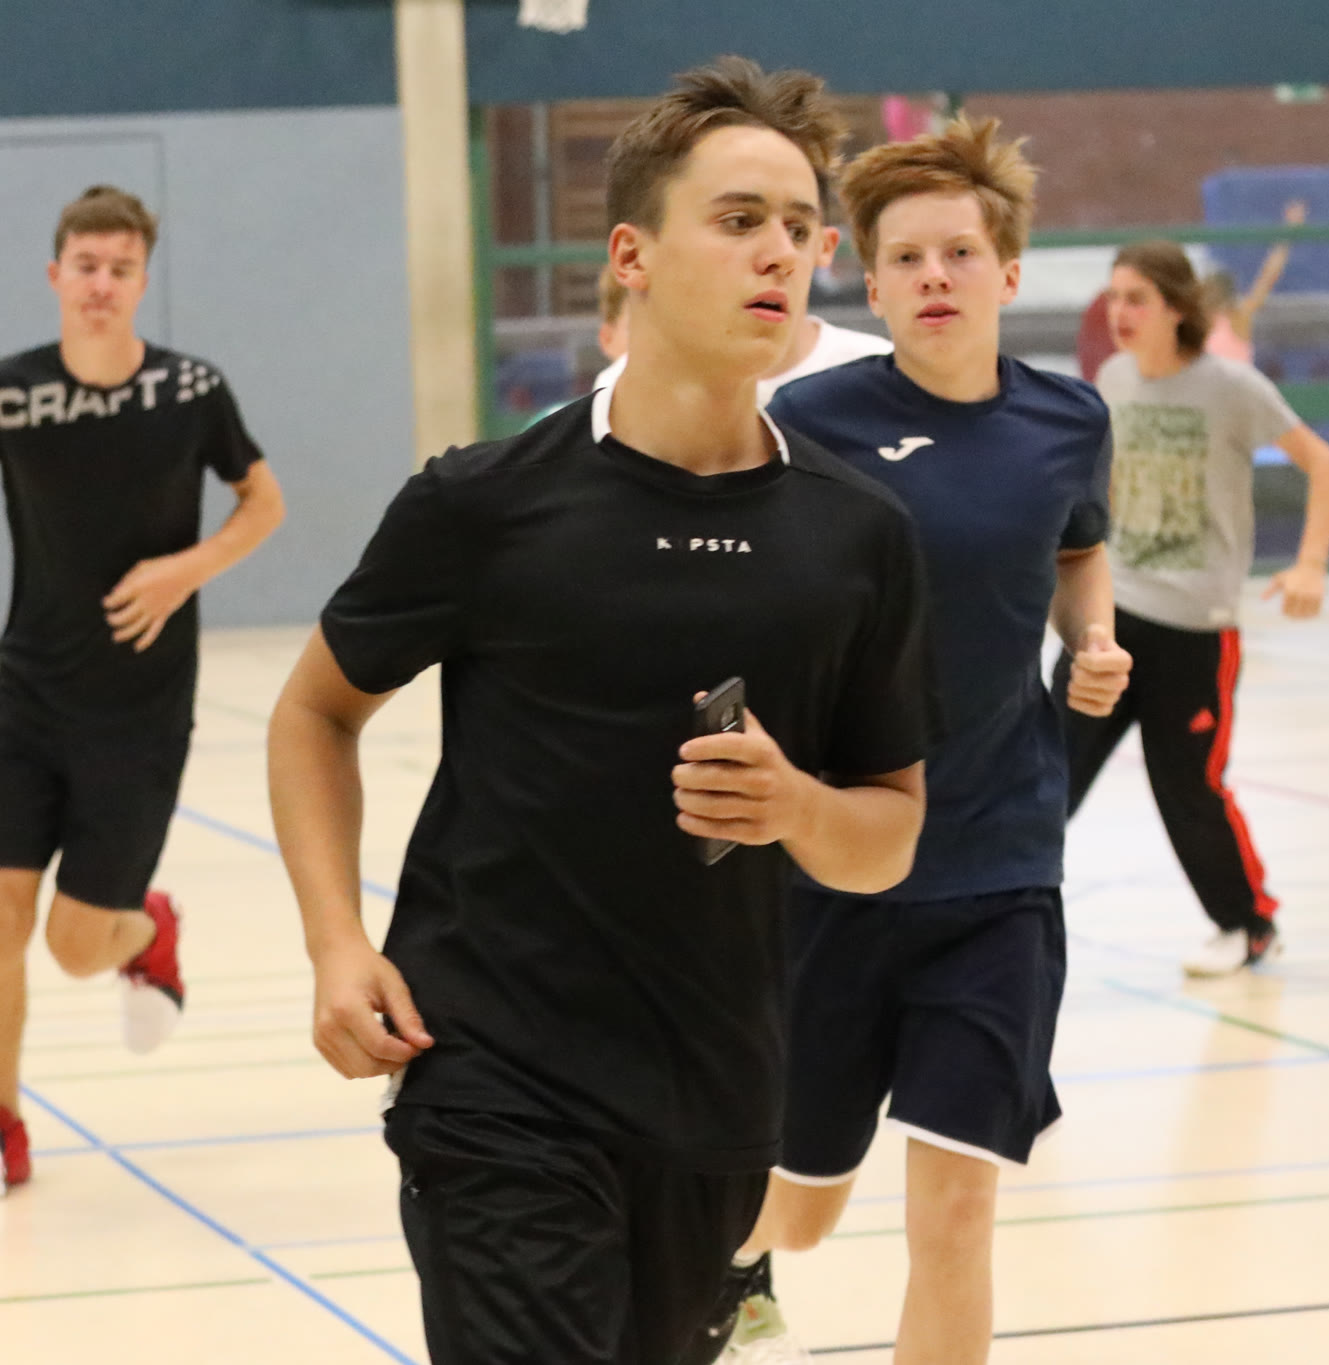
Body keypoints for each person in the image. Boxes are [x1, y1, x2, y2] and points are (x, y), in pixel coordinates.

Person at [266, 59, 935, 1365]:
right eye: (738, 219)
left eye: (800, 228)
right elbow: (313, 716)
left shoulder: (859, 535)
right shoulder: (485, 504)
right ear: (632, 254)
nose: (779, 252)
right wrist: (337, 944)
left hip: (717, 1096)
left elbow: (889, 837)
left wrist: (798, 807)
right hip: (493, 1076)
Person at [713, 116, 1130, 1365]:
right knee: (796, 1211)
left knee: (954, 1215)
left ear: (1008, 272)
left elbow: (1077, 545)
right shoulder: (806, 424)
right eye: (906, 258)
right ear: (872, 282)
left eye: (958, 253)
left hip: (1000, 869)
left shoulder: (1067, 420)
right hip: (834, 870)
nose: (934, 277)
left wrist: (1092, 639)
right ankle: (696, 1278)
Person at [0, 185, 285, 1193]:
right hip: (23, 696)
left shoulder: (189, 390)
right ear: (56, 275)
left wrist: (186, 571)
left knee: (77, 947)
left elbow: (263, 502)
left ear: (141, 281)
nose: (101, 284)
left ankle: (147, 929)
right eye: (86, 266)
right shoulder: (13, 393)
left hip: (138, 712)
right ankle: (6, 1121)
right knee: (2, 922)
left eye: (121, 269)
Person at [1062, 239, 1329, 977]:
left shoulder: (1233, 388)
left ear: (1176, 309)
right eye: (1113, 297)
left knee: (1188, 788)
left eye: (1136, 299)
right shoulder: (1114, 377)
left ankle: (1249, 924)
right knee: (1044, 772)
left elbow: (1325, 465)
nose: (1119, 312)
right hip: (1109, 619)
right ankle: (988, 909)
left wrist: (1311, 563)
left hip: (1194, 631)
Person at [595, 208, 890, 398]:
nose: (780, 255)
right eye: (738, 225)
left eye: (797, 232)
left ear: (825, 247)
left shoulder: (880, 370)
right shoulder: (621, 391)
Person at [1203, 198, 1309, 364]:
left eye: (1213, 293)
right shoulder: (1193, 327)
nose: (1209, 298)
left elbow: (1268, 277)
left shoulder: (1237, 320)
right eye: (1207, 292)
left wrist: (1290, 230)